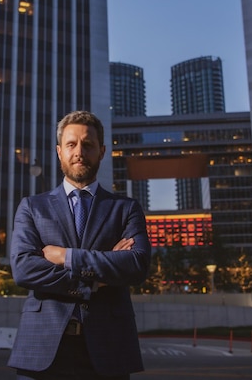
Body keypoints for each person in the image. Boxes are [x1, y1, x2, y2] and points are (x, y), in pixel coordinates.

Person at [8, 110, 151, 379]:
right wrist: (96, 279)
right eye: (71, 144)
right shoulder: (32, 207)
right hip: (42, 348)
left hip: (108, 349)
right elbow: (24, 268)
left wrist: (67, 256)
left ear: (102, 151)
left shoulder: (126, 209)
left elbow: (136, 265)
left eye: (88, 145)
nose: (79, 152)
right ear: (59, 151)